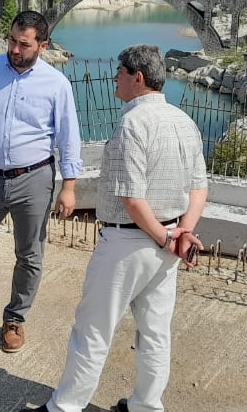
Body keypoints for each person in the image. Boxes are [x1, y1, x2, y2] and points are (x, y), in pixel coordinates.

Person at [22, 44, 208, 412]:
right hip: (167, 242)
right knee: (155, 332)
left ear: (138, 78)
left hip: (129, 240)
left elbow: (132, 199)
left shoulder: (132, 123)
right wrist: (181, 232)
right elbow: (199, 188)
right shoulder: (184, 121)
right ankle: (146, 405)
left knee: (93, 328)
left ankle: (66, 407)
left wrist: (165, 236)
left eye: (119, 71)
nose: (114, 78)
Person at [0, 10, 82, 353]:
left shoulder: (57, 84)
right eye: (11, 40)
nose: (14, 49)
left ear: (43, 45)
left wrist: (69, 186)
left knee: (30, 255)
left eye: (23, 44)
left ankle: (15, 319)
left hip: (34, 180)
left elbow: (68, 137)